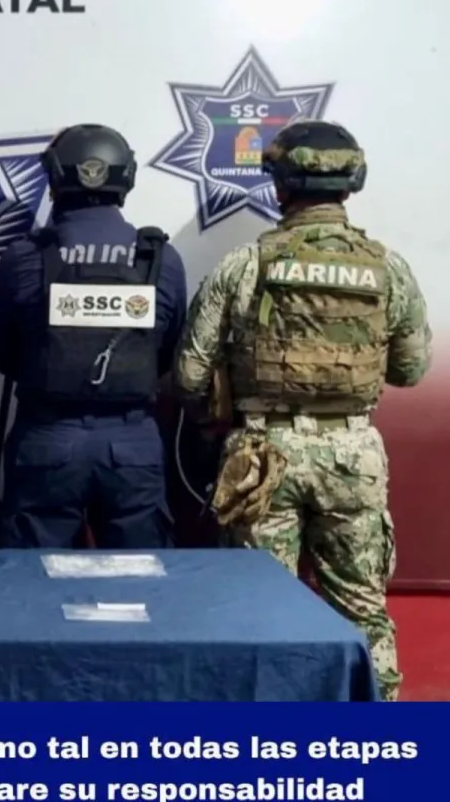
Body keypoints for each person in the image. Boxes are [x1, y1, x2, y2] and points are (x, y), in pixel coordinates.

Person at [174, 119, 432, 702]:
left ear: (280, 184)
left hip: (262, 457)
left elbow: (189, 373)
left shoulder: (246, 264)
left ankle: (265, 742)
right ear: (352, 183)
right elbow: (411, 370)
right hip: (353, 457)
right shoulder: (388, 268)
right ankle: (378, 735)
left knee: (259, 613)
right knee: (362, 608)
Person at [0, 124, 187, 549]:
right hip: (132, 443)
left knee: (32, 574)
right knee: (139, 573)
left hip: (47, 438)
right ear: (126, 177)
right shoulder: (159, 257)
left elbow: (1, 352)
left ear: (55, 178)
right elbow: (168, 352)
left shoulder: (25, 255)